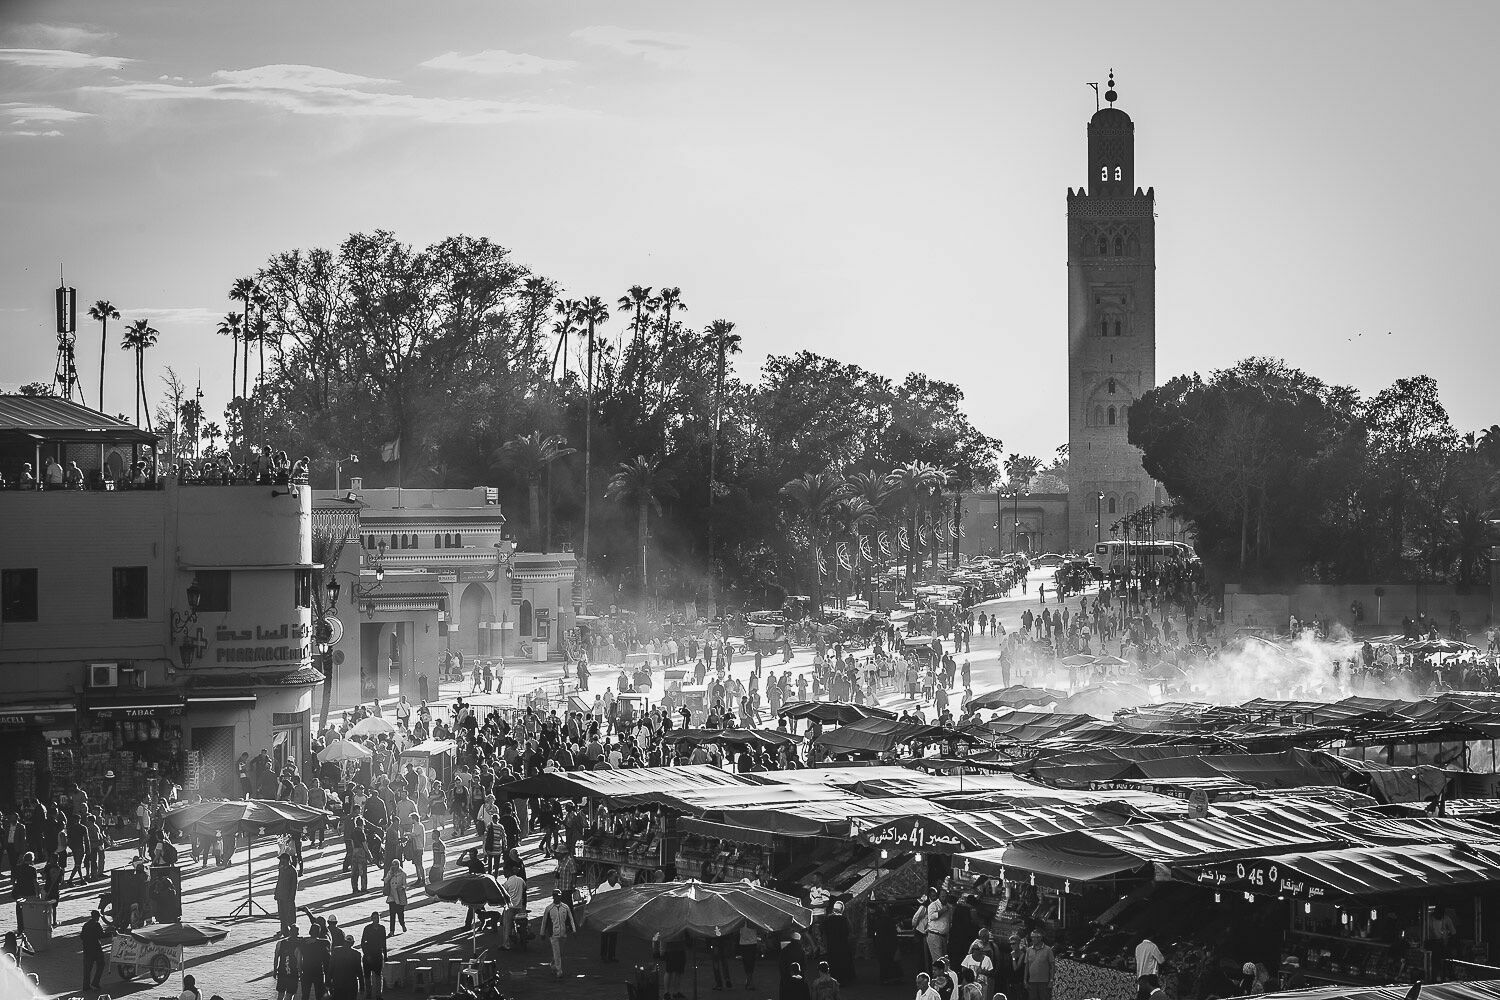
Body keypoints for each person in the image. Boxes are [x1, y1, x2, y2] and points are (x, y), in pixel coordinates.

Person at [541, 889, 575, 979]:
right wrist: (542, 932)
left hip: (563, 934)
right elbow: (544, 921)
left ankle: (553, 964)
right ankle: (559, 971)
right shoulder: (549, 908)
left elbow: (571, 919)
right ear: (553, 897)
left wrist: (573, 930)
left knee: (560, 953)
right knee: (557, 953)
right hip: (553, 934)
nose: (557, 897)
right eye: (555, 895)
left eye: (558, 895)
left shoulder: (565, 907)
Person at [1017, 930, 1055, 1000]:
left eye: (1035, 937)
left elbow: (1052, 966)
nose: (1033, 939)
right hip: (1032, 982)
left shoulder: (1048, 950)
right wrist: (1025, 980)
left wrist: (1051, 980)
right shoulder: (1029, 950)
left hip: (1044, 982)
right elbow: (1027, 966)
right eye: (1032, 937)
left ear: (1040, 938)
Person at [596, 869, 623, 961]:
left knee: (613, 936)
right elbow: (598, 901)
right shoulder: (602, 887)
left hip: (614, 914)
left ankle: (611, 956)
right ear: (609, 877)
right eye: (615, 877)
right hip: (605, 914)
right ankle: (603, 955)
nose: (617, 879)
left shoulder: (618, 886)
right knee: (605, 935)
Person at [80, 908, 110, 992]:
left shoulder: (86, 925)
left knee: (87, 969)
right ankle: (95, 982)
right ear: (96, 917)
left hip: (87, 949)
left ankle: (86, 986)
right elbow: (101, 935)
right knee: (101, 964)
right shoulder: (96, 925)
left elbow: (81, 936)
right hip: (96, 949)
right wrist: (110, 934)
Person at [361, 912, 388, 1000]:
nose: (376, 919)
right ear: (371, 918)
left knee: (378, 976)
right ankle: (368, 994)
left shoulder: (382, 928)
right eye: (375, 917)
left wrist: (385, 954)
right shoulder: (367, 928)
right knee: (367, 977)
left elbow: (384, 942)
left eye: (378, 917)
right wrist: (366, 954)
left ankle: (378, 995)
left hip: (378, 955)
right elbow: (363, 943)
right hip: (368, 955)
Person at [328, 932, 362, 1000]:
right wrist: (362, 986)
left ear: (344, 941)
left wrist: (328, 982)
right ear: (353, 943)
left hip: (338, 982)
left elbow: (331, 967)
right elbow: (359, 971)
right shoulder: (357, 954)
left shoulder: (336, 950)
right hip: (351, 984)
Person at [274, 925, 302, 1000]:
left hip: (282, 972)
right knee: (290, 995)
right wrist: (300, 973)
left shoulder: (280, 943)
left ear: (290, 932)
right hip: (292, 974)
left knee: (280, 994)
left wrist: (275, 970)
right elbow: (299, 962)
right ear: (297, 933)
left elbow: (276, 958)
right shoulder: (298, 946)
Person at [276, 852, 300, 937]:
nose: (280, 862)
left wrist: (291, 898)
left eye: (282, 860)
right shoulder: (282, 869)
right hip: (280, 896)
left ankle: (293, 931)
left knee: (290, 915)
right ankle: (283, 930)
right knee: (282, 915)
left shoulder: (292, 870)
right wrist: (276, 893)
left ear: (286, 860)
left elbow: (294, 886)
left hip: (288, 897)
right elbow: (279, 882)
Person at [1135, 934, 1165, 1000]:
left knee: (1142, 996)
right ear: (1151, 937)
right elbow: (1161, 961)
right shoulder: (1152, 946)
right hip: (1150, 977)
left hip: (1140, 976)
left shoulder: (1138, 947)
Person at [383, 859, 408, 933]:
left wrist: (402, 888)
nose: (394, 866)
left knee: (400, 914)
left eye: (396, 864)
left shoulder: (403, 873)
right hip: (392, 896)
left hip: (400, 896)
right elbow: (385, 880)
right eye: (393, 864)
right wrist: (390, 874)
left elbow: (405, 884)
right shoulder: (390, 872)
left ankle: (402, 925)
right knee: (392, 915)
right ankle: (392, 931)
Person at [738, 921, 762, 989]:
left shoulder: (752, 918)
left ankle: (749, 980)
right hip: (745, 942)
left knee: (750, 962)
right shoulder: (741, 919)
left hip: (751, 942)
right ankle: (749, 980)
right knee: (747, 962)